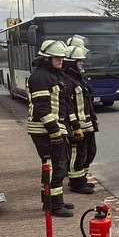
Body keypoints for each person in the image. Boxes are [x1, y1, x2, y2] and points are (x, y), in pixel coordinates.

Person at [26, 39, 76, 217]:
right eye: (57, 58)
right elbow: (42, 108)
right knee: (56, 168)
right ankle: (54, 206)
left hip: (50, 128)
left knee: (53, 167)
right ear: (47, 59)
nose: (61, 62)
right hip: (44, 130)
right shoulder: (40, 77)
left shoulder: (52, 74)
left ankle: (52, 202)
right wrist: (54, 130)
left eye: (62, 58)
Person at [63, 39, 98, 194]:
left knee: (91, 151)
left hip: (87, 123)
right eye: (79, 61)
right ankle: (76, 182)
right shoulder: (68, 80)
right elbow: (68, 106)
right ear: (71, 63)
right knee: (78, 153)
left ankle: (82, 178)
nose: (82, 63)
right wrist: (74, 126)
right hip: (77, 125)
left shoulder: (78, 78)